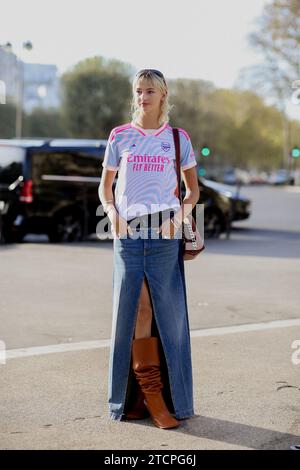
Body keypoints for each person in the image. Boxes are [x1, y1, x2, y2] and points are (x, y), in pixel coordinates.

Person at [98, 69, 200, 430]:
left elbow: (194, 191)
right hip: (127, 235)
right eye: (139, 91)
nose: (143, 97)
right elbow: (105, 188)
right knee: (135, 311)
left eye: (150, 91)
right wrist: (111, 214)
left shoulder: (176, 138)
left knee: (168, 318)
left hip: (164, 234)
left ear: (163, 95)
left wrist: (178, 219)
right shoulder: (120, 136)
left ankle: (165, 400)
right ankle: (144, 397)